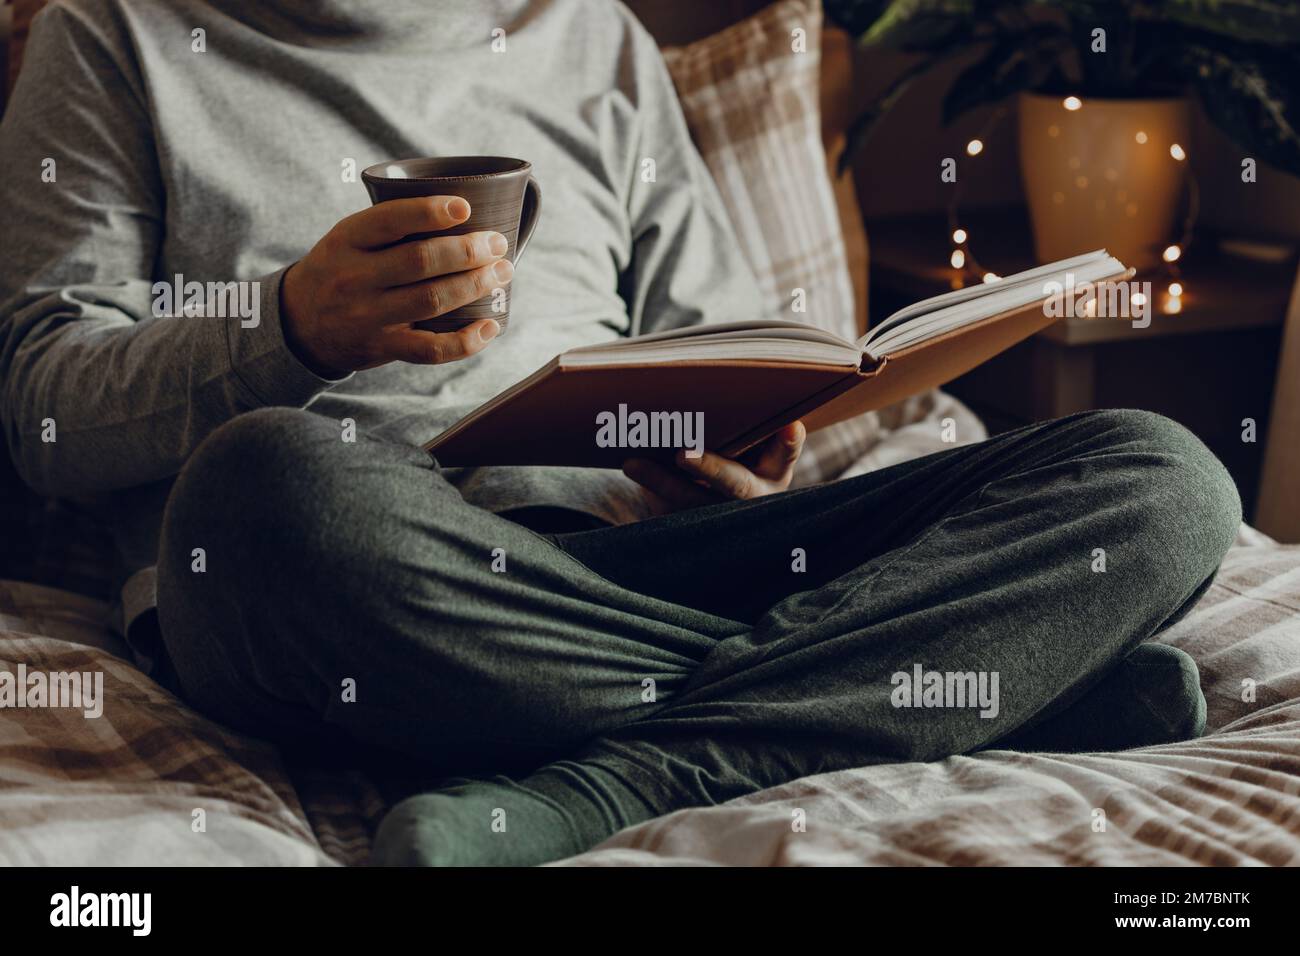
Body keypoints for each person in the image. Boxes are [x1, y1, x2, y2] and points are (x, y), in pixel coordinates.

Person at [0, 0, 1239, 866]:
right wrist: (289, 329)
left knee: (1157, 472)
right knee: (262, 486)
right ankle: (968, 683)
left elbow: (730, 354)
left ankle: (617, 780)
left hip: (634, 561)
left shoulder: (591, 36)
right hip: (354, 576)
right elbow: (42, 414)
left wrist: (731, 457)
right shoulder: (112, 36)